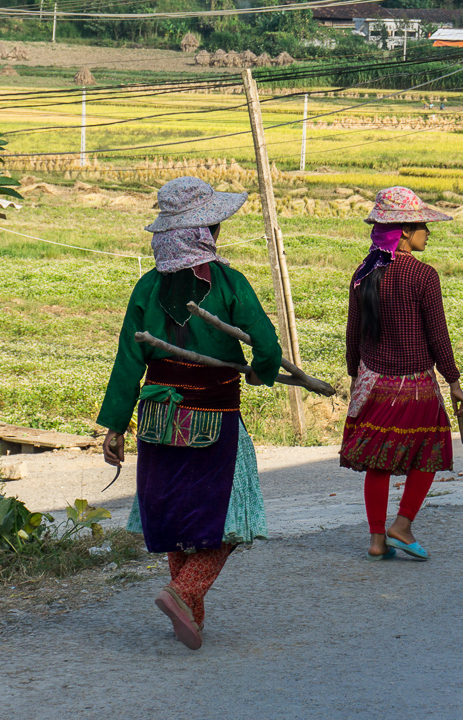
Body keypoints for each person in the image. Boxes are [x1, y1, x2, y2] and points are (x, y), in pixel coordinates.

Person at [98, 176, 282, 650]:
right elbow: (264, 345)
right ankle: (183, 592)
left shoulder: (146, 287)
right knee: (229, 519)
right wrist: (260, 371)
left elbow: (127, 360)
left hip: (157, 420)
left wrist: (115, 426)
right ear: (205, 233)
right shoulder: (229, 283)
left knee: (179, 518)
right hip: (214, 417)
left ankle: (191, 616)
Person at [339, 186, 463, 561]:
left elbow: (353, 332)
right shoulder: (423, 276)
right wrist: (454, 380)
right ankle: (403, 524)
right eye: (423, 226)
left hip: (373, 382)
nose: (428, 232)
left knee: (379, 462)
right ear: (404, 232)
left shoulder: (363, 273)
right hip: (415, 385)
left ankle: (378, 540)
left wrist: (354, 376)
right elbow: (437, 335)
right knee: (428, 453)